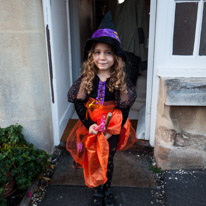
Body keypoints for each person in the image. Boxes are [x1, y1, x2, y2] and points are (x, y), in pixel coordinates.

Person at [66, 12, 137, 206]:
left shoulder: (120, 80)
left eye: (108, 52)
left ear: (115, 57)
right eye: (97, 52)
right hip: (92, 126)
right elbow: (78, 102)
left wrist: (110, 130)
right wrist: (89, 124)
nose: (102, 57)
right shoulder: (87, 79)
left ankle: (107, 189)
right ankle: (97, 190)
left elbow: (125, 108)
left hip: (112, 127)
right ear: (92, 56)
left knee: (109, 159)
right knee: (93, 157)